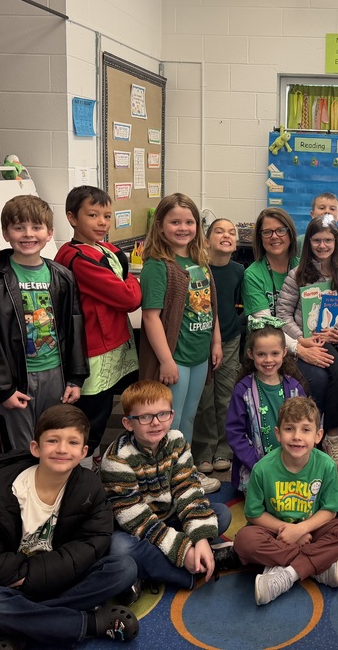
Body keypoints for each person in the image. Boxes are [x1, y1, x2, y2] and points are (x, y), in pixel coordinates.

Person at [0, 405, 139, 648]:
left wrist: (38, 574)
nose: (62, 449)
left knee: (123, 567)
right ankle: (88, 623)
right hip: (16, 586)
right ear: (36, 448)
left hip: (59, 578)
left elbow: (94, 541)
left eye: (72, 442)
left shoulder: (89, 485)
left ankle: (22, 624)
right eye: (52, 440)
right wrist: (28, 575)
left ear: (84, 452)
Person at [101, 380, 237, 603]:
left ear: (172, 416)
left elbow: (189, 489)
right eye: (144, 417)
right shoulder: (117, 459)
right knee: (119, 548)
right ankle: (194, 568)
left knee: (222, 513)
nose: (155, 423)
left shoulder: (176, 440)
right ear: (128, 423)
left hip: (171, 518)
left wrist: (200, 538)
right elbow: (137, 521)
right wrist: (184, 553)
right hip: (136, 529)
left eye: (162, 414)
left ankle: (152, 569)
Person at [0, 194, 88, 451]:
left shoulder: (62, 276)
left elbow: (75, 326)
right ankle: (23, 492)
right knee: (24, 449)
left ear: (49, 233)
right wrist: (4, 389)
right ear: (6, 233)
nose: (28, 234)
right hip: (17, 381)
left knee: (55, 444)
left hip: (55, 377)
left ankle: (54, 491)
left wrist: (75, 379)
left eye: (36, 227)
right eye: (18, 227)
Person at [232, 397, 338, 605]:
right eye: (289, 429)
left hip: (313, 530)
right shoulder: (262, 468)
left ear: (318, 435)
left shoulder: (327, 465)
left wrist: (302, 529)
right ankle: (319, 566)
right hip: (276, 532)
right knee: (244, 540)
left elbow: (329, 511)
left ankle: (289, 573)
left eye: (305, 430)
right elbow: (254, 514)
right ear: (278, 434)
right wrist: (290, 531)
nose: (297, 437)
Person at [139, 193, 222, 493]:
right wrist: (166, 360)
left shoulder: (199, 261)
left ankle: (182, 472)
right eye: (175, 222)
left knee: (187, 417)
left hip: (199, 355)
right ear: (160, 226)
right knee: (165, 423)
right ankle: (162, 479)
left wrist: (216, 342)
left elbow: (209, 307)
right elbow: (151, 318)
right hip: (175, 357)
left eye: (189, 222)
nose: (183, 228)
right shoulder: (157, 266)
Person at [55, 185, 141, 464]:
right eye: (93, 215)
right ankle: (77, 468)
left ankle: (92, 463)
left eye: (106, 216)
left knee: (104, 409)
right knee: (91, 413)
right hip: (95, 346)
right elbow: (129, 297)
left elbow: (119, 261)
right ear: (72, 218)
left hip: (113, 340)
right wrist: (130, 282)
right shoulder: (77, 258)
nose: (102, 223)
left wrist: (125, 277)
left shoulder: (102, 248)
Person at [275, 214, 338, 460]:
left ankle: (336, 434)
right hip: (308, 342)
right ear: (309, 243)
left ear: (336, 242)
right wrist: (301, 339)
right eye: (317, 240)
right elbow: (282, 315)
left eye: (328, 240)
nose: (322, 246)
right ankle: (315, 436)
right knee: (324, 376)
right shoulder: (297, 275)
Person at [242, 207, 338, 418]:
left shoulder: (305, 265)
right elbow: (265, 325)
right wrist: (299, 348)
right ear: (260, 238)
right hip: (275, 348)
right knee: (317, 378)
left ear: (290, 234)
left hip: (311, 338)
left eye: (281, 230)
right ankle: (303, 435)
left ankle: (324, 436)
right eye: (267, 232)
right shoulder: (253, 275)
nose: (275, 236)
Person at [225, 317, 307, 493]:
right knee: (268, 503)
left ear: (284, 353)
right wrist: (258, 464)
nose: (268, 360)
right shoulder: (243, 390)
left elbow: (307, 426)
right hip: (255, 467)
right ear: (250, 354)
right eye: (261, 354)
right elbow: (235, 433)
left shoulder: (295, 388)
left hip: (291, 465)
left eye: (274, 354)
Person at [192, 218, 244, 477]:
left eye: (231, 232)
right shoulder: (197, 269)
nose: (226, 235)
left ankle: (224, 448)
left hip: (230, 340)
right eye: (219, 231)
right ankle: (202, 450)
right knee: (204, 399)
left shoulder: (239, 271)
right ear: (206, 240)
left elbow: (238, 305)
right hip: (200, 341)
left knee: (225, 396)